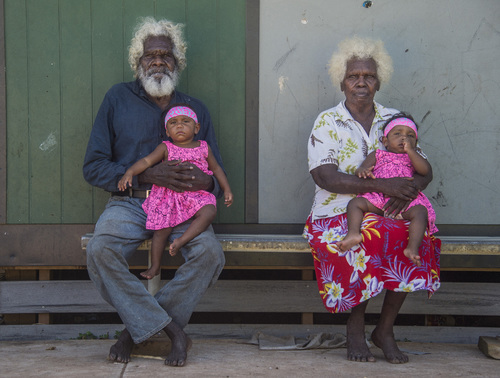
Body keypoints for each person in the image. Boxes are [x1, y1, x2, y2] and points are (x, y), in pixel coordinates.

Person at [83, 17, 226, 367]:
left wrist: (202, 182)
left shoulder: (195, 110)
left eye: (166, 55)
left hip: (184, 207)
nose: (158, 61)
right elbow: (94, 166)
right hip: (132, 205)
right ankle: (174, 332)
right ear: (138, 63)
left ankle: (135, 332)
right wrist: (149, 176)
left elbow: (215, 175)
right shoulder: (117, 98)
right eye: (151, 56)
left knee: (210, 253)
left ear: (177, 62)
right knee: (100, 249)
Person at [304, 36, 441, 364]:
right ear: (342, 82)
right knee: (368, 237)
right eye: (354, 76)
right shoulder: (327, 122)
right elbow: (325, 177)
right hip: (335, 211)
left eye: (368, 76)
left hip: (391, 208)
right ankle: (355, 328)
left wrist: (405, 192)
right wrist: (384, 186)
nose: (361, 82)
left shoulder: (395, 120)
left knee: (415, 238)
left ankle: (385, 329)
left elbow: (422, 170)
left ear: (379, 81)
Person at [118, 103, 233, 279]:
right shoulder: (165, 148)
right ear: (167, 131)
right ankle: (155, 265)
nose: (179, 126)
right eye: (173, 123)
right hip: (169, 196)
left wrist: (226, 190)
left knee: (209, 211)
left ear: (197, 128)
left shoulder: (203, 147)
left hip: (196, 196)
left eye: (185, 121)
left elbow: (216, 169)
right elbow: (147, 162)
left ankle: (181, 240)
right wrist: (130, 172)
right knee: (162, 230)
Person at [337, 112, 438, 267]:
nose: (404, 138)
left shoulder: (414, 156)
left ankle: (412, 248)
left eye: (410, 136)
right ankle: (353, 234)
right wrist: (363, 172)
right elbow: (362, 169)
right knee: (356, 203)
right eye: (397, 133)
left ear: (416, 142)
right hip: (378, 200)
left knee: (420, 212)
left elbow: (425, 171)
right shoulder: (378, 154)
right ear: (385, 140)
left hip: (405, 204)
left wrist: (411, 151)